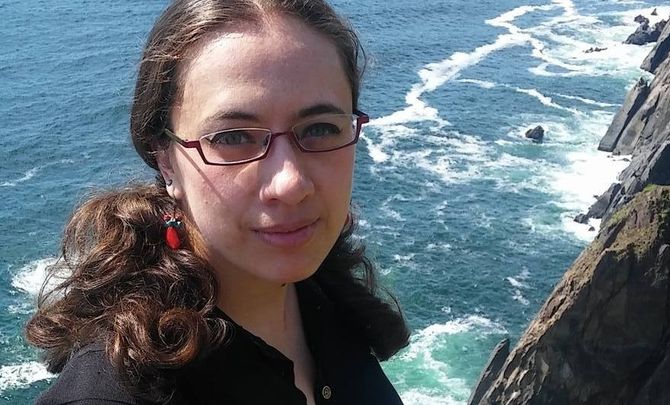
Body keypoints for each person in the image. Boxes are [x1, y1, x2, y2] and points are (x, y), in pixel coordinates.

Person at [25, 0, 410, 403]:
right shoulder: (113, 394)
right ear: (165, 158)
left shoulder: (328, 299)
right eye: (232, 137)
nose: (291, 183)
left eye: (320, 129)